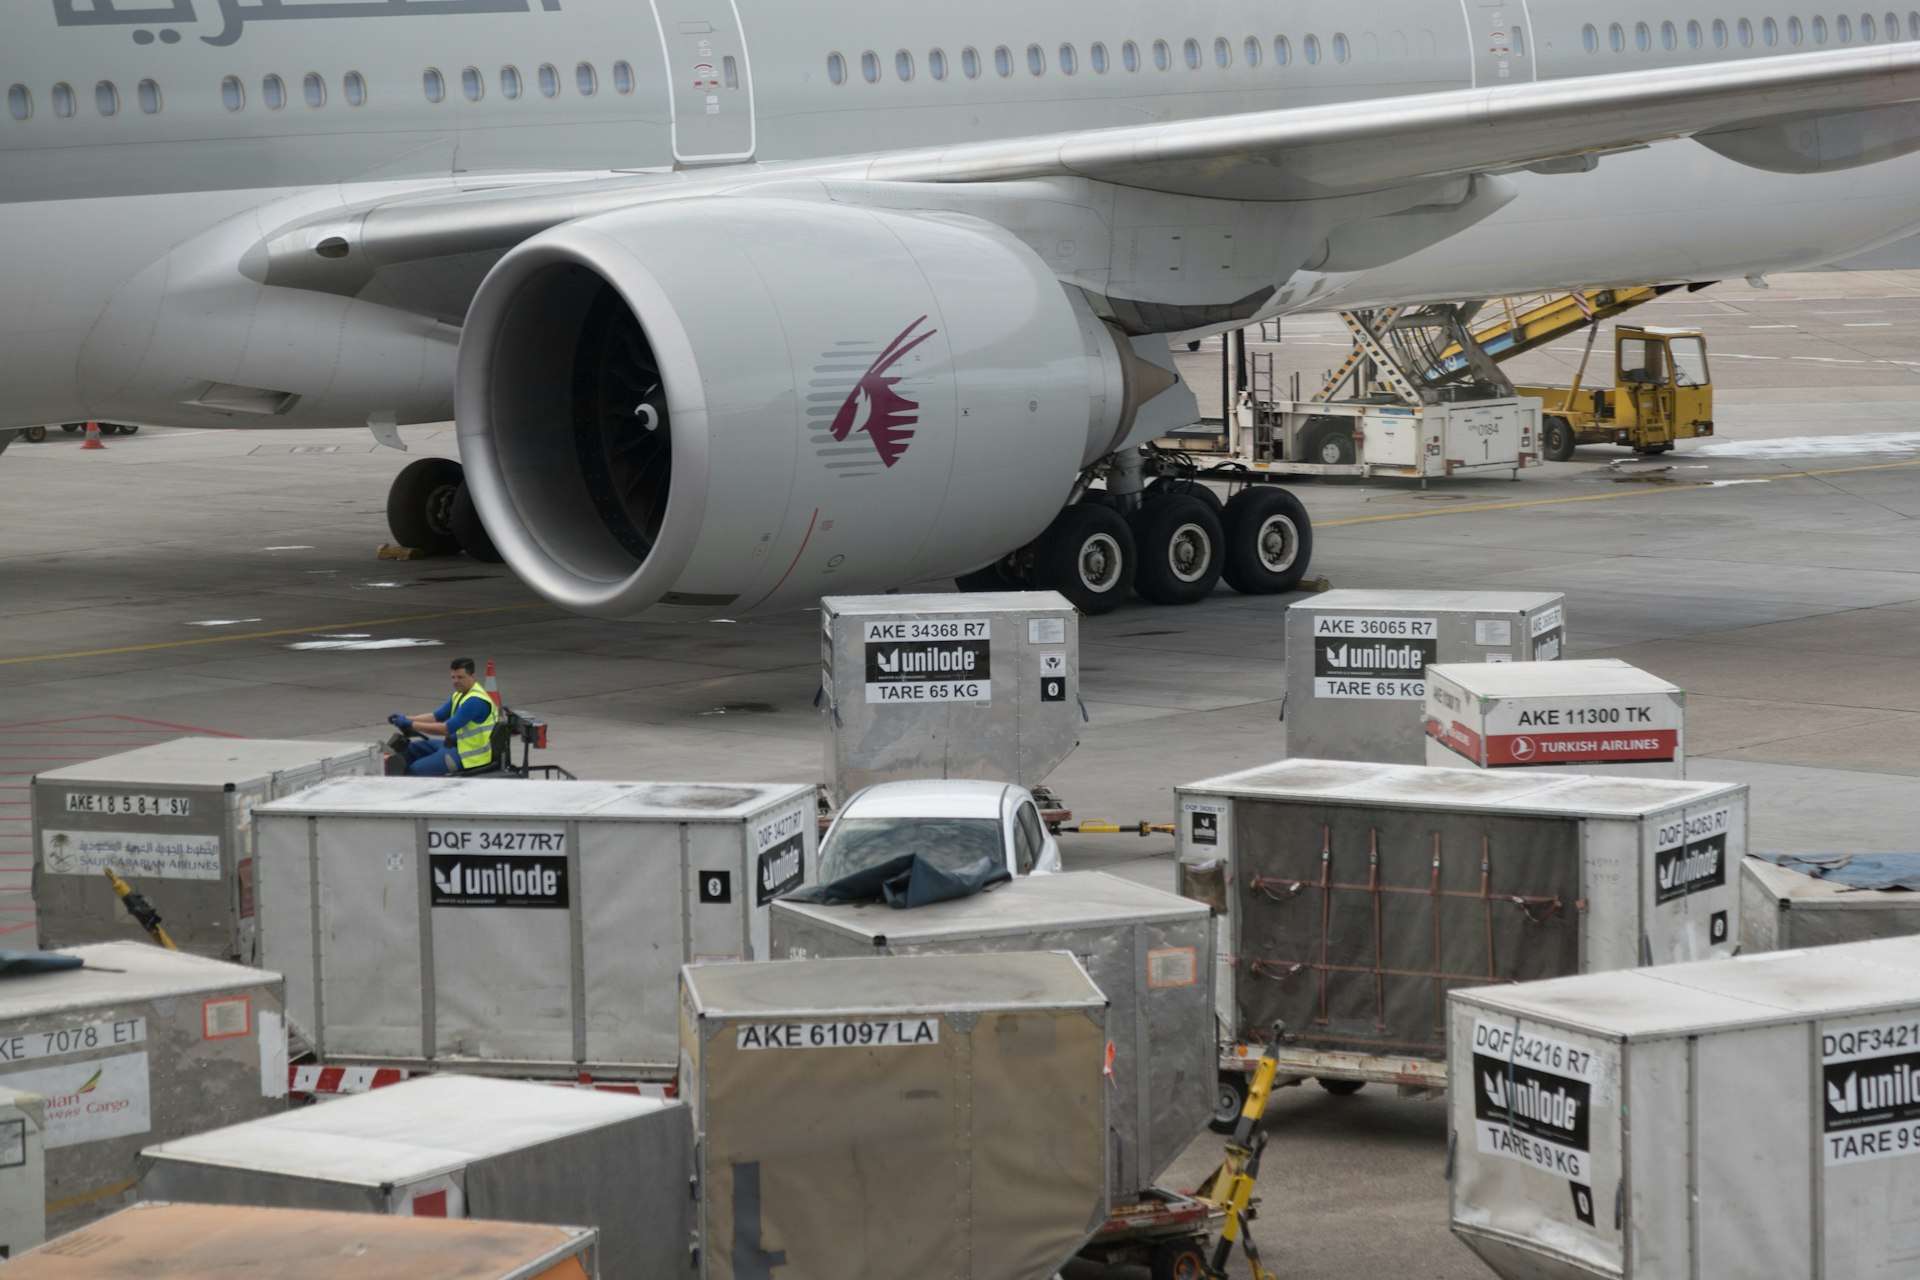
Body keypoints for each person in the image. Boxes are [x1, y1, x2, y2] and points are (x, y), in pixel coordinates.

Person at [389, 657, 498, 776]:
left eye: (460, 677)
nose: (455, 681)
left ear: (473, 676)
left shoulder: (475, 701)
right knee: (409, 750)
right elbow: (436, 716)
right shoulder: (460, 694)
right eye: (453, 677)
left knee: (416, 770)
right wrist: (406, 718)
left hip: (468, 756)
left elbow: (445, 729)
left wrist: (411, 724)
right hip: (454, 745)